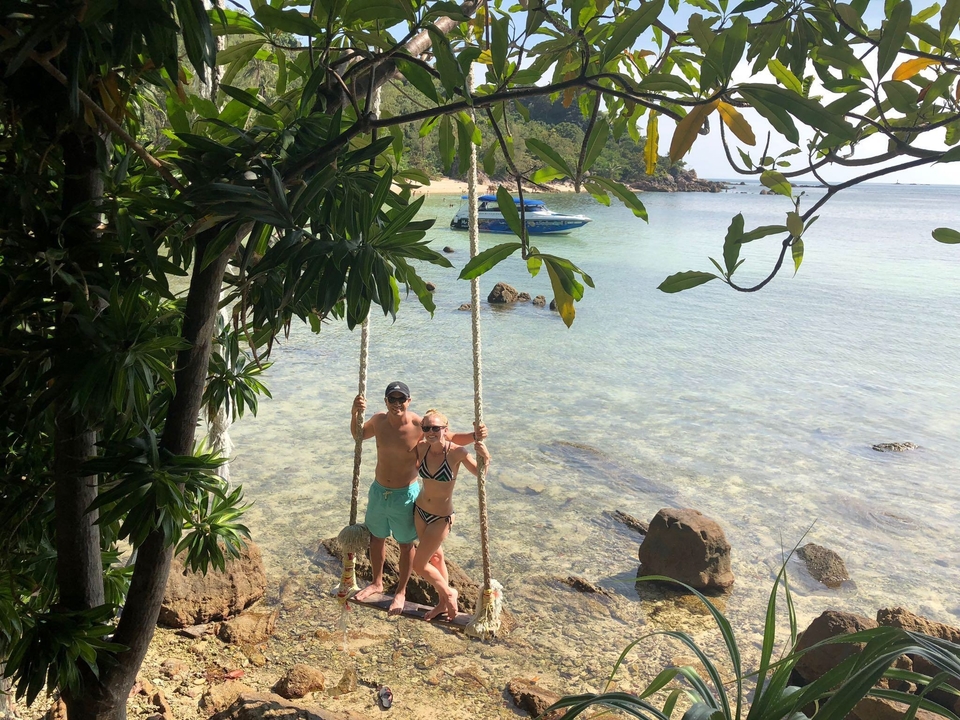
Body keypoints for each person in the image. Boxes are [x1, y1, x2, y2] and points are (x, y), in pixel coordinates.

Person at [351, 382, 485, 614]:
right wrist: (354, 412)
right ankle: (377, 582)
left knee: (406, 545)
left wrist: (475, 436)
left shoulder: (419, 426)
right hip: (378, 490)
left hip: (405, 493)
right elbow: (358, 435)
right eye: (391, 399)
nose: (396, 404)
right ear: (385, 402)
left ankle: (401, 592)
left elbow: (447, 436)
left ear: (409, 401)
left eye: (401, 399)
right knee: (376, 538)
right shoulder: (378, 421)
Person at [412, 408, 490, 622]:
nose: (430, 432)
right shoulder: (421, 448)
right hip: (419, 511)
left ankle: (448, 593)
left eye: (436, 428)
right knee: (436, 558)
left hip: (441, 518)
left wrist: (485, 455)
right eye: (426, 428)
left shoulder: (457, 452)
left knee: (419, 565)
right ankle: (441, 604)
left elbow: (480, 474)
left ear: (445, 430)